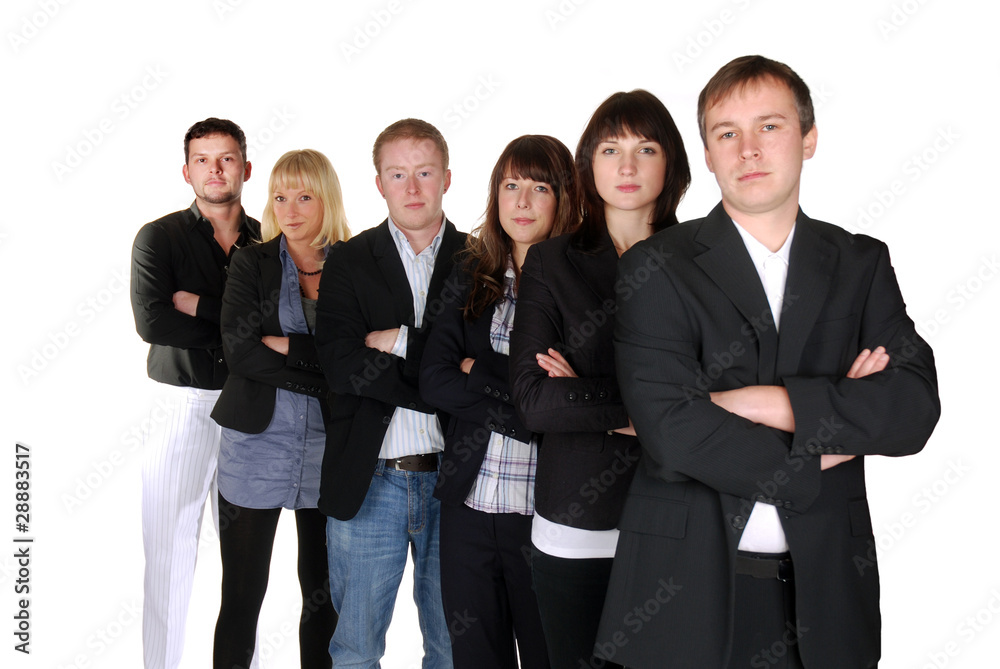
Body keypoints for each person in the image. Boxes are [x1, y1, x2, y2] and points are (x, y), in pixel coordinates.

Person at [595, 55, 941, 669]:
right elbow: (670, 432)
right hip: (681, 594)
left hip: (827, 594)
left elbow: (912, 408)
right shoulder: (654, 266)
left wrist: (760, 403)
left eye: (770, 126)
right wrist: (831, 434)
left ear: (808, 138)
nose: (748, 149)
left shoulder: (860, 263)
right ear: (708, 154)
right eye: (727, 133)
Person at [509, 92, 691, 669]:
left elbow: (722, 393)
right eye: (611, 150)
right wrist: (656, 411)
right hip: (577, 523)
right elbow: (535, 401)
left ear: (672, 162)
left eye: (646, 149)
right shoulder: (551, 261)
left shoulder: (705, 260)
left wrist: (583, 389)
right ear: (590, 163)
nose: (628, 166)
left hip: (684, 519)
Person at [420, 135, 582, 669]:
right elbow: (434, 380)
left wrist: (478, 370)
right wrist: (530, 404)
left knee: (547, 657)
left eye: (540, 188)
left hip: (545, 516)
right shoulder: (470, 273)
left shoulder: (583, 287)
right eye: (511, 186)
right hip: (467, 508)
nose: (522, 201)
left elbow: (573, 409)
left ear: (563, 197)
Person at [314, 118, 467, 668]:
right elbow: (341, 366)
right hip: (369, 481)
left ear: (446, 178)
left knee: (452, 650)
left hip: (459, 484)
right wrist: (444, 379)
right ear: (379, 183)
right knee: (356, 650)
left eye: (424, 172)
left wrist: (400, 341)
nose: (412, 187)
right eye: (398, 174)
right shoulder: (349, 260)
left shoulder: (479, 260)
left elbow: (487, 374)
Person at [210, 149, 347, 669]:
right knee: (241, 598)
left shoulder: (355, 264)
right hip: (254, 447)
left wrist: (289, 347)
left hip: (332, 450)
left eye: (304, 197)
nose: (290, 210)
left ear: (326, 199)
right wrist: (323, 366)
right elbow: (241, 354)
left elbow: (359, 364)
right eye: (280, 197)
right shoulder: (251, 262)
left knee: (323, 597)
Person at [130, 117, 259, 669]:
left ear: (246, 168)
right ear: (187, 171)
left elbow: (283, 325)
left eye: (226, 158)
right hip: (181, 408)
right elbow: (154, 323)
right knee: (169, 559)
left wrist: (202, 309)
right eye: (203, 160)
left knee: (247, 567)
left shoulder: (269, 238)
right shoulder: (158, 238)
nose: (215, 169)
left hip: (250, 408)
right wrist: (243, 334)